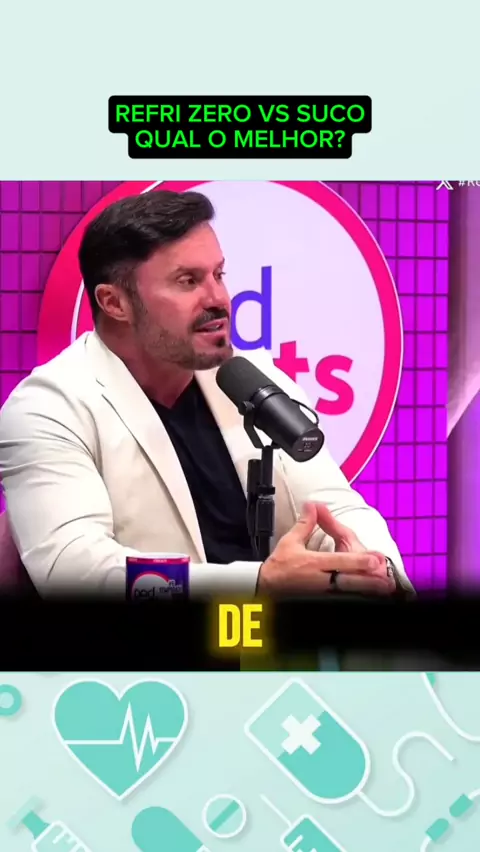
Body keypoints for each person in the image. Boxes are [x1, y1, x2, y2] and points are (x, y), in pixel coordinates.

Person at [0, 190, 413, 599]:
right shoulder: (48, 407)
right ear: (115, 303)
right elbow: (77, 571)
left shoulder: (252, 379)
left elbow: (338, 508)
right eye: (188, 281)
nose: (218, 299)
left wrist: (377, 570)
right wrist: (257, 584)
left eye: (219, 275)